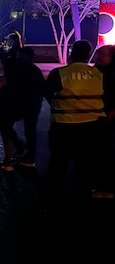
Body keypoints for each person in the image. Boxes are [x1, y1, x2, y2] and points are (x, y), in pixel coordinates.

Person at [42, 39, 106, 212]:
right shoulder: (99, 74)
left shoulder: (59, 73)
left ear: (71, 53)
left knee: (58, 166)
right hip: (92, 127)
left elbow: (48, 94)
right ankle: (83, 202)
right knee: (85, 166)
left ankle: (50, 202)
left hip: (64, 126)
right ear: (88, 54)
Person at [13, 46, 46, 168]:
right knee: (30, 130)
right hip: (33, 105)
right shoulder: (35, 70)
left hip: (20, 104)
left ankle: (21, 148)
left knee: (4, 123)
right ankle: (29, 156)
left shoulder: (18, 68)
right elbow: (43, 88)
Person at [91, 44, 115, 199]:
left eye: (103, 54)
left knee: (106, 153)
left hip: (108, 117)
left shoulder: (112, 73)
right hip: (95, 116)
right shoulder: (95, 70)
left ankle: (106, 188)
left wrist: (109, 117)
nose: (100, 57)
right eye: (98, 53)